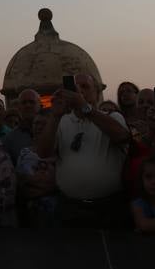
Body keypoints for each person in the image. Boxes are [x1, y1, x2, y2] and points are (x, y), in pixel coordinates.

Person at [37, 74, 130, 228]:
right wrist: (54, 116)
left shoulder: (113, 117)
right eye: (75, 87)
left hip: (109, 207)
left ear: (97, 93)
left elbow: (122, 137)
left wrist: (85, 108)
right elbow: (43, 153)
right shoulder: (61, 121)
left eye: (85, 87)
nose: (79, 91)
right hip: (71, 207)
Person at [15, 111, 57, 227]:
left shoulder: (61, 152)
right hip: (30, 212)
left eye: (44, 124)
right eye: (36, 123)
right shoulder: (24, 153)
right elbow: (20, 181)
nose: (39, 127)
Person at [2, 90, 41, 165]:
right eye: (24, 103)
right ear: (19, 107)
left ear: (40, 105)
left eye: (31, 102)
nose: (28, 105)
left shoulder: (53, 131)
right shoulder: (10, 139)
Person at [131, 156, 155, 234]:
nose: (153, 182)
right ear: (142, 179)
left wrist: (153, 223)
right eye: (148, 177)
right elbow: (143, 225)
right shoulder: (139, 204)